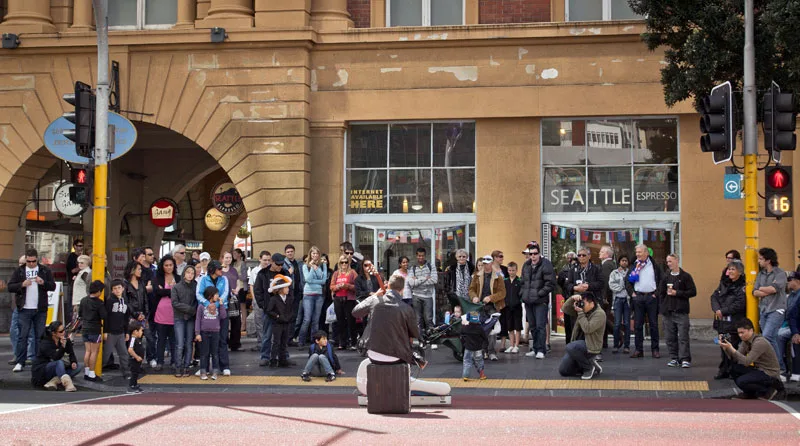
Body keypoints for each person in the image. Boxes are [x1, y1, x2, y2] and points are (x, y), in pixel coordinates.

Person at [9, 248, 56, 372]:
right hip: (24, 309)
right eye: (28, 262)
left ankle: (38, 361)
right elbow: (10, 286)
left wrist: (43, 283)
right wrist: (21, 285)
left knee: (39, 336)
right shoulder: (19, 271)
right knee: (22, 336)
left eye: (33, 261)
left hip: (40, 309)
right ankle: (20, 361)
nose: (30, 264)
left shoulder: (44, 270)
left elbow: (53, 286)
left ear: (37, 259)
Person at [719, 318, 785, 400]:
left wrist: (731, 348)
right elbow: (736, 359)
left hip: (769, 373)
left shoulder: (759, 342)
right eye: (739, 333)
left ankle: (768, 390)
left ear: (751, 330)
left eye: (742, 332)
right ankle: (749, 393)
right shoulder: (745, 341)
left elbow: (747, 361)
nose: (740, 335)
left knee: (741, 381)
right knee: (733, 369)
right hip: (758, 370)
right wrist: (726, 349)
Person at [365, 275, 420, 366]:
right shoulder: (406, 308)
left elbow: (355, 312)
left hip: (373, 355)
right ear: (402, 290)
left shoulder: (375, 302)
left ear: (388, 286)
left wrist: (374, 295)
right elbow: (415, 334)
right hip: (396, 356)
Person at [711, 260, 747, 380]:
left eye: (733, 269)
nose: (730, 271)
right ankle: (724, 369)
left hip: (734, 322)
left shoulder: (742, 286)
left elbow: (740, 304)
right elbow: (714, 296)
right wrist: (717, 310)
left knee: (732, 346)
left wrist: (724, 311)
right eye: (729, 269)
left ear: (740, 272)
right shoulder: (724, 283)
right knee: (723, 346)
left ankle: (732, 370)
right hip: (721, 322)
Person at [660, 254, 696, 368]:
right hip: (668, 311)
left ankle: (685, 358)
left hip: (681, 311)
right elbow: (660, 292)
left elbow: (693, 292)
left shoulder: (685, 276)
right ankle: (674, 357)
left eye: (670, 261)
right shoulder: (665, 277)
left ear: (677, 261)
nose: (668, 263)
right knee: (670, 337)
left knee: (683, 336)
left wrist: (678, 293)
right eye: (667, 261)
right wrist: (663, 306)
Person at [626, 244, 662, 359]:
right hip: (638, 298)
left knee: (653, 325)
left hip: (651, 298)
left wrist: (656, 294)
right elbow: (627, 281)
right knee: (637, 325)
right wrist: (632, 293)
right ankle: (638, 350)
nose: (638, 254)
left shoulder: (655, 265)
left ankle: (655, 349)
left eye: (640, 252)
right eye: (637, 252)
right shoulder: (634, 265)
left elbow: (662, 280)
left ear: (647, 253)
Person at [254, 253, 290, 366]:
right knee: (267, 334)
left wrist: (289, 305)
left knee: (284, 335)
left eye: (281, 264)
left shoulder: (284, 272)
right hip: (269, 309)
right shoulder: (263, 273)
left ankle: (284, 356)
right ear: (272, 262)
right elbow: (257, 290)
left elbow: (290, 288)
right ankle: (265, 356)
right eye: (278, 264)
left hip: (283, 309)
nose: (280, 266)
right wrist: (263, 306)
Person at [195, 260, 231, 376]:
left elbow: (225, 294)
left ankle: (224, 366)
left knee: (222, 338)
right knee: (206, 342)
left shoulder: (224, 279)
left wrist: (215, 305)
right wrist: (207, 304)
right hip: (206, 312)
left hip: (221, 310)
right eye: (219, 269)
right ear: (212, 270)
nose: (222, 270)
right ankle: (203, 368)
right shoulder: (203, 279)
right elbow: (198, 294)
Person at [559, 292, 606, 380]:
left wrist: (580, 313)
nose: (581, 305)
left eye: (584, 303)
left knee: (570, 347)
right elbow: (565, 308)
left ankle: (588, 368)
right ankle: (590, 363)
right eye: (581, 303)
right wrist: (572, 298)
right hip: (578, 345)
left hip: (591, 346)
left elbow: (587, 329)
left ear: (592, 303)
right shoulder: (583, 310)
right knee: (564, 371)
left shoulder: (600, 314)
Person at [520, 242, 555, 359]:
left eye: (535, 253)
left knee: (540, 326)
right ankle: (535, 348)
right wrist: (522, 294)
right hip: (528, 301)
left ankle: (541, 350)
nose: (533, 256)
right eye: (531, 254)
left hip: (541, 301)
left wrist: (539, 294)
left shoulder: (546, 264)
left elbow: (550, 284)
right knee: (533, 327)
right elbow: (522, 282)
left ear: (539, 254)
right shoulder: (526, 265)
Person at [468, 255, 506, 361]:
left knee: (492, 330)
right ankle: (483, 351)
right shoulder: (476, 275)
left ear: (492, 263)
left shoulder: (498, 277)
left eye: (488, 263)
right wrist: (474, 297)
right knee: (479, 329)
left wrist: (491, 297)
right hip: (478, 306)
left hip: (492, 306)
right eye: (484, 263)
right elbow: (471, 290)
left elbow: (503, 293)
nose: (486, 265)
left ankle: (492, 352)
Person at [753, 247, 787, 364]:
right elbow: (754, 291)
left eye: (761, 259)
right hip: (763, 309)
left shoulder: (780, 273)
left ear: (768, 260)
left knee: (767, 336)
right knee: (772, 338)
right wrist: (766, 290)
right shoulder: (760, 274)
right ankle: (775, 365)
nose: (759, 261)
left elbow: (774, 288)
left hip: (777, 309)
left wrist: (762, 289)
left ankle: (779, 367)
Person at [31, 321, 79, 391]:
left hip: (56, 367)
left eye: (64, 330)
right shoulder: (45, 343)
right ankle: (67, 384)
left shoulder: (65, 340)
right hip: (42, 369)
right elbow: (55, 357)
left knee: (78, 367)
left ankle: (53, 381)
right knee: (59, 363)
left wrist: (73, 362)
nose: (64, 333)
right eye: (61, 331)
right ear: (53, 333)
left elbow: (71, 353)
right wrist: (62, 347)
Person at [195, 287, 227, 380]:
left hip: (215, 332)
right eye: (216, 294)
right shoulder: (201, 306)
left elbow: (223, 316)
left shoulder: (217, 306)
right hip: (204, 332)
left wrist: (221, 305)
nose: (218, 296)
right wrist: (197, 333)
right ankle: (203, 371)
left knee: (215, 353)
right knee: (204, 353)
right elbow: (198, 320)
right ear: (210, 296)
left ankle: (215, 372)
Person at [8, 255, 35, 367]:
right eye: (19, 263)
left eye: (22, 263)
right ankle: (18, 354)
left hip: (31, 308)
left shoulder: (35, 273)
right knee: (14, 331)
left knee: (30, 333)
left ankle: (30, 356)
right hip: (19, 307)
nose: (21, 265)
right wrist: (21, 284)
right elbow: (11, 287)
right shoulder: (17, 273)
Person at [154, 255, 179, 372]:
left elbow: (179, 293)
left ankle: (174, 361)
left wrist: (166, 291)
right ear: (162, 266)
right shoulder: (158, 277)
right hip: (161, 313)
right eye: (166, 265)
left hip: (175, 313)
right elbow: (157, 292)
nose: (169, 267)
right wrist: (171, 291)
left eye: (171, 265)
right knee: (161, 340)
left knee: (174, 340)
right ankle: (160, 361)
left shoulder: (178, 278)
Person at [172, 265, 198, 378]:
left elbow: (198, 300)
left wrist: (192, 311)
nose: (190, 275)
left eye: (192, 273)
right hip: (179, 318)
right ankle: (178, 366)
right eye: (188, 272)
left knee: (189, 343)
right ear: (184, 273)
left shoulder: (196, 286)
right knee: (180, 344)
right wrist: (189, 309)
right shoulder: (176, 287)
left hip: (191, 318)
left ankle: (186, 366)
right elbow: (174, 303)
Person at [78, 280, 107, 382]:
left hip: (85, 328)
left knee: (88, 351)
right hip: (95, 329)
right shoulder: (99, 303)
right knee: (94, 352)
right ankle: (92, 373)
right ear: (99, 291)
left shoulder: (83, 300)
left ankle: (86, 372)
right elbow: (104, 316)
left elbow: (80, 314)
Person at [300, 246, 328, 347]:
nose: (315, 255)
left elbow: (323, 280)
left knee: (316, 320)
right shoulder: (305, 266)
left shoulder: (323, 265)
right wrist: (312, 268)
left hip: (319, 295)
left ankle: (314, 342)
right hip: (308, 294)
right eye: (313, 253)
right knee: (307, 319)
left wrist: (316, 268)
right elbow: (307, 279)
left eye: (317, 253)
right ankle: (301, 342)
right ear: (310, 254)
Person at [103, 279, 131, 379]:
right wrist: (105, 331)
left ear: (123, 289)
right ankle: (98, 368)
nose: (117, 290)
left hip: (121, 332)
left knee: (123, 353)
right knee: (106, 354)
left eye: (119, 288)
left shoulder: (125, 302)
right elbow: (106, 317)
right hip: (110, 332)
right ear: (112, 290)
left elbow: (126, 318)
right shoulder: (110, 301)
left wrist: (126, 332)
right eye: (115, 288)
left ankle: (126, 372)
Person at [408, 247, 438, 336]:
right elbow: (411, 283)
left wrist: (417, 280)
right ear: (416, 256)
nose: (421, 258)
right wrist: (425, 278)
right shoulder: (413, 268)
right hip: (416, 296)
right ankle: (420, 338)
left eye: (422, 256)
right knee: (418, 319)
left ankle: (431, 338)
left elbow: (434, 280)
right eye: (419, 256)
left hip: (428, 296)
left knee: (428, 318)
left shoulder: (431, 266)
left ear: (425, 256)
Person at [266, 274, 295, 368]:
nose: (288, 289)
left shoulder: (289, 299)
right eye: (286, 287)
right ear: (281, 289)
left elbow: (291, 310)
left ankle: (283, 360)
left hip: (286, 323)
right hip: (277, 323)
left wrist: (289, 317)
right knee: (276, 342)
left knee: (284, 342)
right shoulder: (274, 299)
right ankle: (273, 360)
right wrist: (277, 316)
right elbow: (269, 310)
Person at [330, 255, 358, 350]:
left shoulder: (352, 272)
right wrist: (337, 287)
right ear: (339, 263)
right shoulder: (336, 273)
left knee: (351, 321)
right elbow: (332, 286)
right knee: (340, 321)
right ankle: (342, 342)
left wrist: (347, 286)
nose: (344, 264)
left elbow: (357, 286)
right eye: (342, 262)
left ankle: (353, 342)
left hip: (349, 298)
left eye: (346, 262)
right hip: (338, 298)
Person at [776, 271, 800, 380]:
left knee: (779, 335)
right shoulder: (790, 296)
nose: (787, 282)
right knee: (773, 333)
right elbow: (790, 315)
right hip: (791, 325)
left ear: (797, 281)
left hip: (795, 327)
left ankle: (782, 369)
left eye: (789, 280)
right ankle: (781, 367)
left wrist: (796, 332)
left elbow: (792, 315)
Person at [608, 255, 631, 354]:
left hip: (627, 300)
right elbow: (611, 285)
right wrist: (622, 286)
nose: (624, 262)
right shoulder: (614, 273)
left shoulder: (630, 272)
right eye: (622, 260)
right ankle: (615, 345)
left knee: (627, 323)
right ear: (619, 262)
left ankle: (627, 346)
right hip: (617, 299)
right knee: (617, 324)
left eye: (626, 260)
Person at [249, 251, 271, 351]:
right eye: (265, 260)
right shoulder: (255, 271)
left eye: (268, 260)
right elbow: (252, 286)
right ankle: (261, 343)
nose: (266, 262)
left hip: (269, 300)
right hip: (258, 300)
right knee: (259, 322)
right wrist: (254, 299)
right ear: (260, 259)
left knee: (269, 322)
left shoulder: (271, 270)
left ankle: (268, 342)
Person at [284, 244, 305, 346]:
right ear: (285, 253)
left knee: (294, 316)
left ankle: (290, 339)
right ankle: (286, 338)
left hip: (297, 293)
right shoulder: (283, 264)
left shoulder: (298, 263)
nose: (290, 253)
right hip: (288, 293)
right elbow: (282, 279)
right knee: (287, 316)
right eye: (288, 252)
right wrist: (288, 273)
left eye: (291, 251)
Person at [220, 251, 242, 352]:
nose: (228, 259)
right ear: (222, 258)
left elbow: (238, 283)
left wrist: (237, 289)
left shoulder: (233, 270)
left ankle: (235, 343)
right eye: (226, 258)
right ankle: (224, 341)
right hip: (223, 299)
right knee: (224, 321)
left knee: (236, 321)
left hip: (234, 298)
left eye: (230, 258)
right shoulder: (219, 270)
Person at [598, 245, 617, 351]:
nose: (599, 253)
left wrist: (604, 297)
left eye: (601, 252)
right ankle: (605, 341)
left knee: (603, 318)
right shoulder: (612, 264)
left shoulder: (606, 265)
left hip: (606, 297)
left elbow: (605, 283)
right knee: (604, 318)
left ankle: (617, 334)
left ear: (607, 254)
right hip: (609, 296)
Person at [461, 310, 488, 381]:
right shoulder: (480, 328)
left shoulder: (466, 328)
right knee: (479, 361)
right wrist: (485, 345)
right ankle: (482, 375)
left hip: (468, 348)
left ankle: (466, 376)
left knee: (467, 361)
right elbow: (484, 337)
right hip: (478, 348)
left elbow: (461, 334)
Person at [503, 261, 523, 354]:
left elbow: (522, 294)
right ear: (508, 270)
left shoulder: (519, 281)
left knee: (517, 327)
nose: (511, 272)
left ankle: (516, 346)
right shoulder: (505, 281)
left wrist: (519, 301)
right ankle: (511, 345)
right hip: (507, 307)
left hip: (517, 307)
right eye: (510, 270)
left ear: (516, 270)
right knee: (510, 327)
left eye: (513, 270)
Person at [65, 239, 84, 322]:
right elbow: (72, 270)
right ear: (75, 246)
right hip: (72, 283)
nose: (80, 248)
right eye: (79, 246)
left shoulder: (82, 256)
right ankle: (71, 322)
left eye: (82, 246)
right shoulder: (71, 257)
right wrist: (81, 267)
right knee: (72, 304)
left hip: (81, 284)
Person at [232, 248, 249, 336]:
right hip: (235, 287)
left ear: (239, 254)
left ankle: (243, 324)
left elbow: (244, 277)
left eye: (235, 253)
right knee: (236, 307)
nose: (233, 255)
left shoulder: (242, 264)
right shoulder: (234, 263)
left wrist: (235, 275)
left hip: (242, 287)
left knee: (242, 306)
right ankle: (237, 324)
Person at [127, 323, 145, 394]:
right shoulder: (133, 339)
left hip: (137, 361)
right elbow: (130, 349)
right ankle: (131, 386)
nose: (142, 332)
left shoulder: (137, 339)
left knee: (136, 373)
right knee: (134, 373)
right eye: (141, 330)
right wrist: (137, 357)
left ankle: (135, 385)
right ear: (135, 331)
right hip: (134, 360)